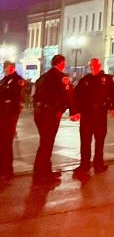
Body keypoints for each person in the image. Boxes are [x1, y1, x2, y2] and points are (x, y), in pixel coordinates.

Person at [71, 58, 114, 178]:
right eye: (90, 66)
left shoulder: (107, 79)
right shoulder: (85, 80)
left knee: (100, 140)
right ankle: (84, 165)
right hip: (87, 114)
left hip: (100, 114)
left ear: (99, 65)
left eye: (93, 65)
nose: (92, 68)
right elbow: (76, 95)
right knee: (85, 141)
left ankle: (99, 164)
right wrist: (75, 111)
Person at [32, 54, 75, 184]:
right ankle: (42, 174)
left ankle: (44, 170)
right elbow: (69, 94)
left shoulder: (43, 77)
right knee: (47, 144)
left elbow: (34, 94)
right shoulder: (61, 77)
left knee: (45, 143)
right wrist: (74, 111)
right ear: (61, 63)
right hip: (50, 114)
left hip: (39, 113)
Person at [1, 60, 26, 179]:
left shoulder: (17, 80)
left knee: (6, 143)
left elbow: (16, 96)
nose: (5, 69)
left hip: (9, 115)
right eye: (4, 67)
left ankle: (7, 170)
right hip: (2, 114)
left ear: (12, 68)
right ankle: (2, 169)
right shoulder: (4, 80)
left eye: (7, 67)